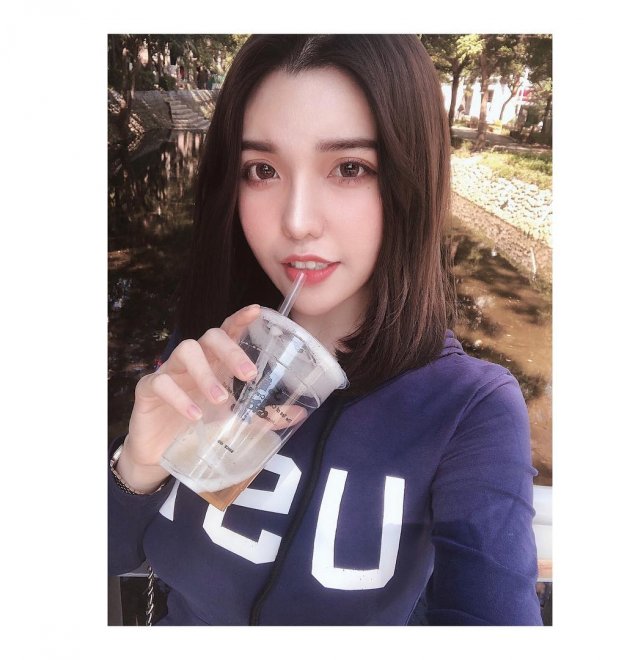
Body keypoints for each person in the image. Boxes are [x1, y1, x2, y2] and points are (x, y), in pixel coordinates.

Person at [108, 34, 542, 626]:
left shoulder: (470, 408)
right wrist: (136, 467)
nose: (297, 222)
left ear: (410, 181)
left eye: (349, 168)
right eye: (262, 170)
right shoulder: (214, 353)